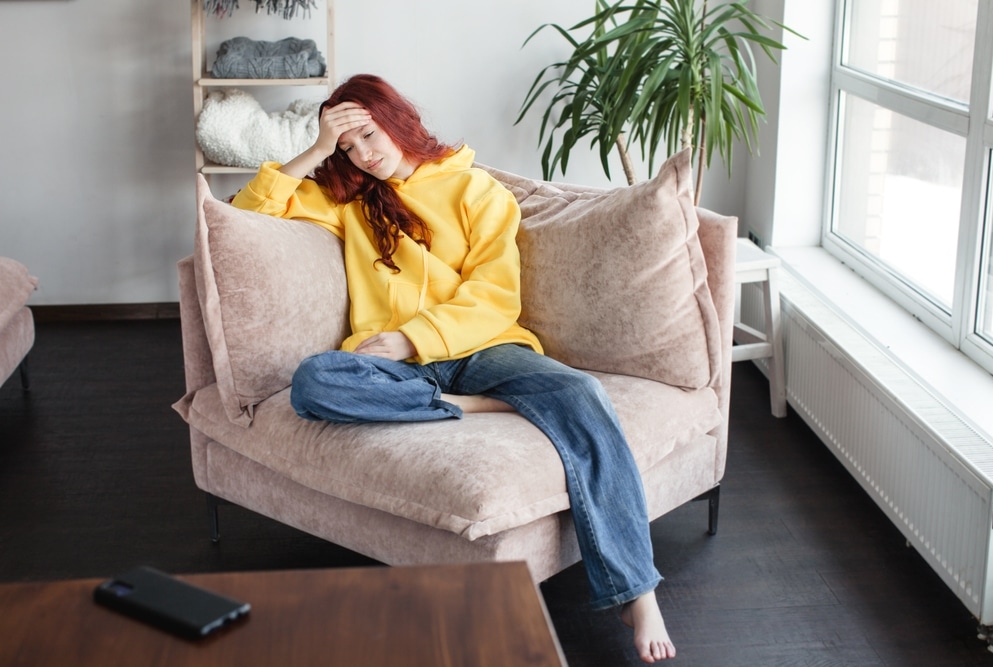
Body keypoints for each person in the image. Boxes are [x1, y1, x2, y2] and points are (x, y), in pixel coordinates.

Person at [230, 73, 676, 663]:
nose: (364, 155)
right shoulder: (350, 200)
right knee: (314, 381)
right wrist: (317, 150)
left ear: (398, 121)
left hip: (482, 349)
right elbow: (247, 213)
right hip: (398, 369)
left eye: (369, 135)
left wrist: (411, 337)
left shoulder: (477, 189)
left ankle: (636, 592)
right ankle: (475, 408)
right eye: (349, 146)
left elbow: (494, 295)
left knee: (581, 393)